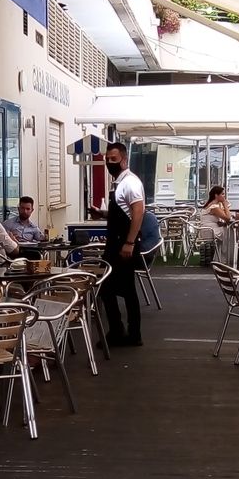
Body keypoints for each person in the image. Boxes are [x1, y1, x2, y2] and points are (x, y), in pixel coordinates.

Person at [100, 141, 146, 347]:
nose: (110, 163)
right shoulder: (119, 182)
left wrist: (129, 243)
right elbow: (123, 212)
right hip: (115, 243)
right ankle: (119, 331)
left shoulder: (130, 182)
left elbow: (138, 212)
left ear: (124, 159)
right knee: (110, 289)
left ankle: (131, 334)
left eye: (114, 159)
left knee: (123, 290)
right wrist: (101, 214)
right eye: (107, 159)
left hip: (123, 245)